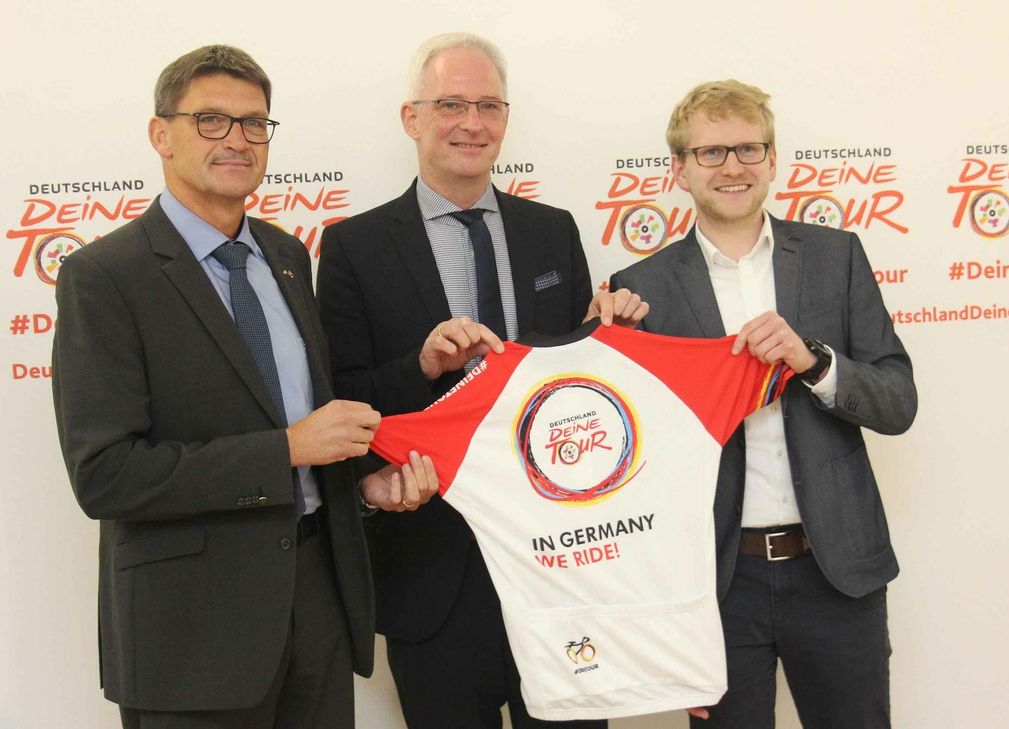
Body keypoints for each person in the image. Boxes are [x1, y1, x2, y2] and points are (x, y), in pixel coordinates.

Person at [51, 44, 438, 729]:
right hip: (192, 634)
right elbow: (105, 475)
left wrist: (360, 489)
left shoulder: (286, 255)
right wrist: (286, 449)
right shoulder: (106, 276)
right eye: (211, 120)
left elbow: (310, 428)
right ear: (160, 134)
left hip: (317, 607)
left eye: (255, 123)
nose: (237, 139)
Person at [316, 32, 645, 729]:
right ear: (412, 118)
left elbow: (577, 383)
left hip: (561, 569)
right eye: (451, 104)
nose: (472, 123)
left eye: (489, 106)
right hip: (432, 570)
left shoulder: (552, 231)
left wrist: (609, 340)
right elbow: (340, 399)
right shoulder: (353, 246)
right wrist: (420, 368)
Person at [609, 80, 917, 729]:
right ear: (680, 169)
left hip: (837, 574)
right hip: (717, 586)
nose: (733, 166)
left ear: (773, 160)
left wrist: (816, 362)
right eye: (711, 152)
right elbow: (631, 459)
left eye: (748, 148)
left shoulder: (836, 257)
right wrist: (607, 349)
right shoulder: (641, 288)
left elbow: (897, 402)